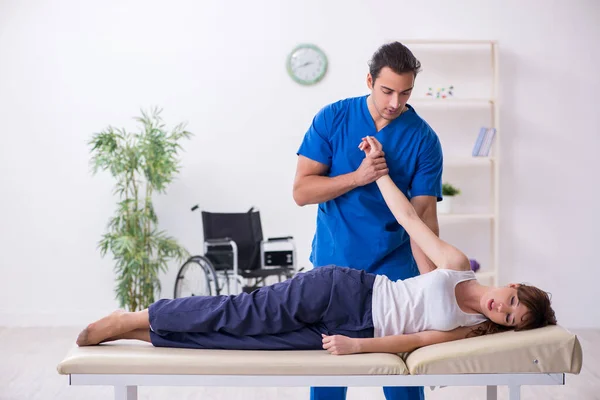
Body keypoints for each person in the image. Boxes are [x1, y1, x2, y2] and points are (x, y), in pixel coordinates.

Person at [76, 137, 557, 367]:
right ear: (512, 286)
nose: (504, 310)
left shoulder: (464, 330)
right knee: (240, 315)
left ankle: (144, 332)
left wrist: (358, 346)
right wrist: (379, 170)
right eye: (514, 302)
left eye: (511, 320)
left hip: (353, 330)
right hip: (343, 292)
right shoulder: (453, 268)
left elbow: (415, 343)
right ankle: (135, 315)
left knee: (246, 342)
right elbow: (411, 220)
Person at [293, 41, 442, 400]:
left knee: (403, 382)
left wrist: (435, 284)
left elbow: (423, 219)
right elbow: (302, 191)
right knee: (329, 378)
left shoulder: (423, 139)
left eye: (405, 93)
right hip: (333, 266)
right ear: (369, 81)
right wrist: (357, 177)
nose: (395, 103)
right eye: (387, 90)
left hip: (394, 273)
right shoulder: (332, 118)